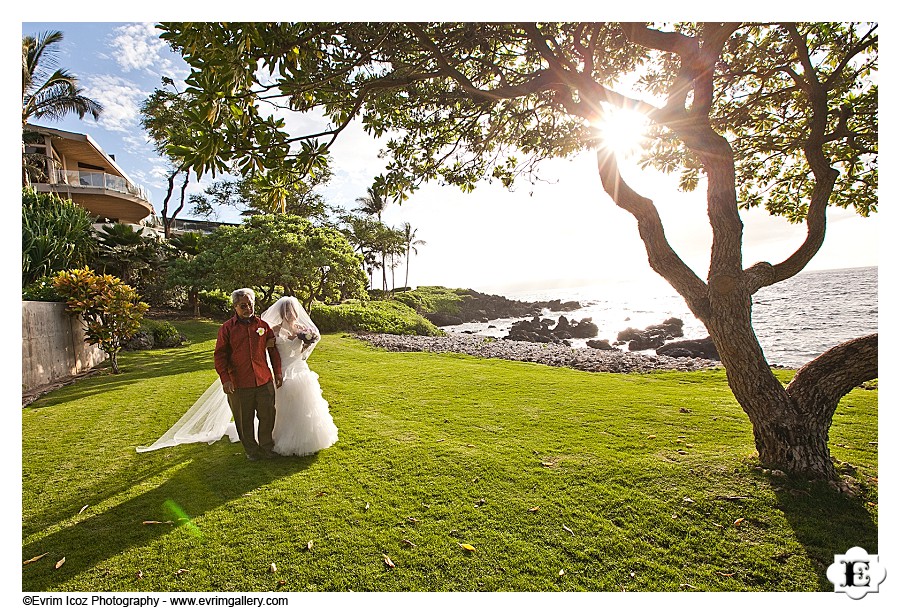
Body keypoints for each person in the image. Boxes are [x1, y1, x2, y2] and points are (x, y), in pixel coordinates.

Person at [137, 295, 337, 458]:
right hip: (240, 380)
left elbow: (273, 352)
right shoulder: (227, 328)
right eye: (243, 305)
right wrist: (225, 378)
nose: (247, 308)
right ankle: (252, 451)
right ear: (235, 307)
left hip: (264, 377)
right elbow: (220, 355)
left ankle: (267, 447)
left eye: (250, 304)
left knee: (268, 415)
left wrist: (277, 371)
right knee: (244, 418)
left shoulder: (263, 326)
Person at [261, 296, 338, 457]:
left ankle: (307, 438)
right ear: (282, 313)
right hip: (282, 368)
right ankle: (280, 436)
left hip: (299, 367)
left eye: (292, 311)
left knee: (305, 403)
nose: (290, 314)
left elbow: (301, 353)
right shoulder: (274, 330)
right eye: (286, 311)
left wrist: (307, 344)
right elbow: (270, 352)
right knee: (282, 404)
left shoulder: (302, 329)